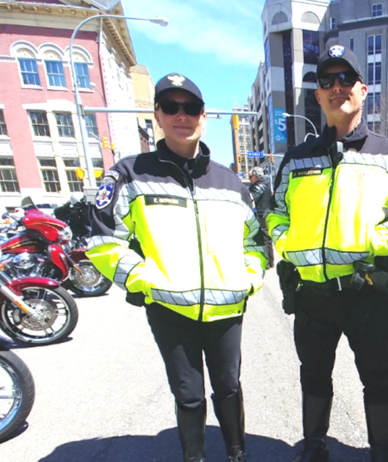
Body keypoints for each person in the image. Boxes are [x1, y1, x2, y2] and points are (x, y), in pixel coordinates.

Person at [87, 73, 267, 462]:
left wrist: (249, 279)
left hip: (226, 309)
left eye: (190, 108)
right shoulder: (131, 174)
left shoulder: (231, 182)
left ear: (203, 118)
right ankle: (194, 458)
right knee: (188, 394)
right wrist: (142, 279)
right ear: (158, 114)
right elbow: (102, 238)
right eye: (171, 106)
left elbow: (255, 241)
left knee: (229, 387)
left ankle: (237, 454)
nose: (180, 115)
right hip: (169, 310)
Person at [267, 44, 388, 462]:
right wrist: (286, 241)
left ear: (363, 90)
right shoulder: (297, 157)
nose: (336, 87)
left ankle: (380, 454)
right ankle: (315, 448)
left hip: (366, 292)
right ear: (319, 94)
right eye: (327, 81)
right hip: (312, 296)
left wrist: (378, 241)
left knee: (378, 380)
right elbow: (273, 210)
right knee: (314, 378)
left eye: (345, 80)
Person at [248, 166, 274, 268]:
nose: (250, 179)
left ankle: (267, 262)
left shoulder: (258, 186)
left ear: (255, 176)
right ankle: (270, 261)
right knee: (268, 239)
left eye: (250, 177)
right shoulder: (266, 185)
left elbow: (251, 198)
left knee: (264, 239)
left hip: (261, 215)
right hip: (267, 214)